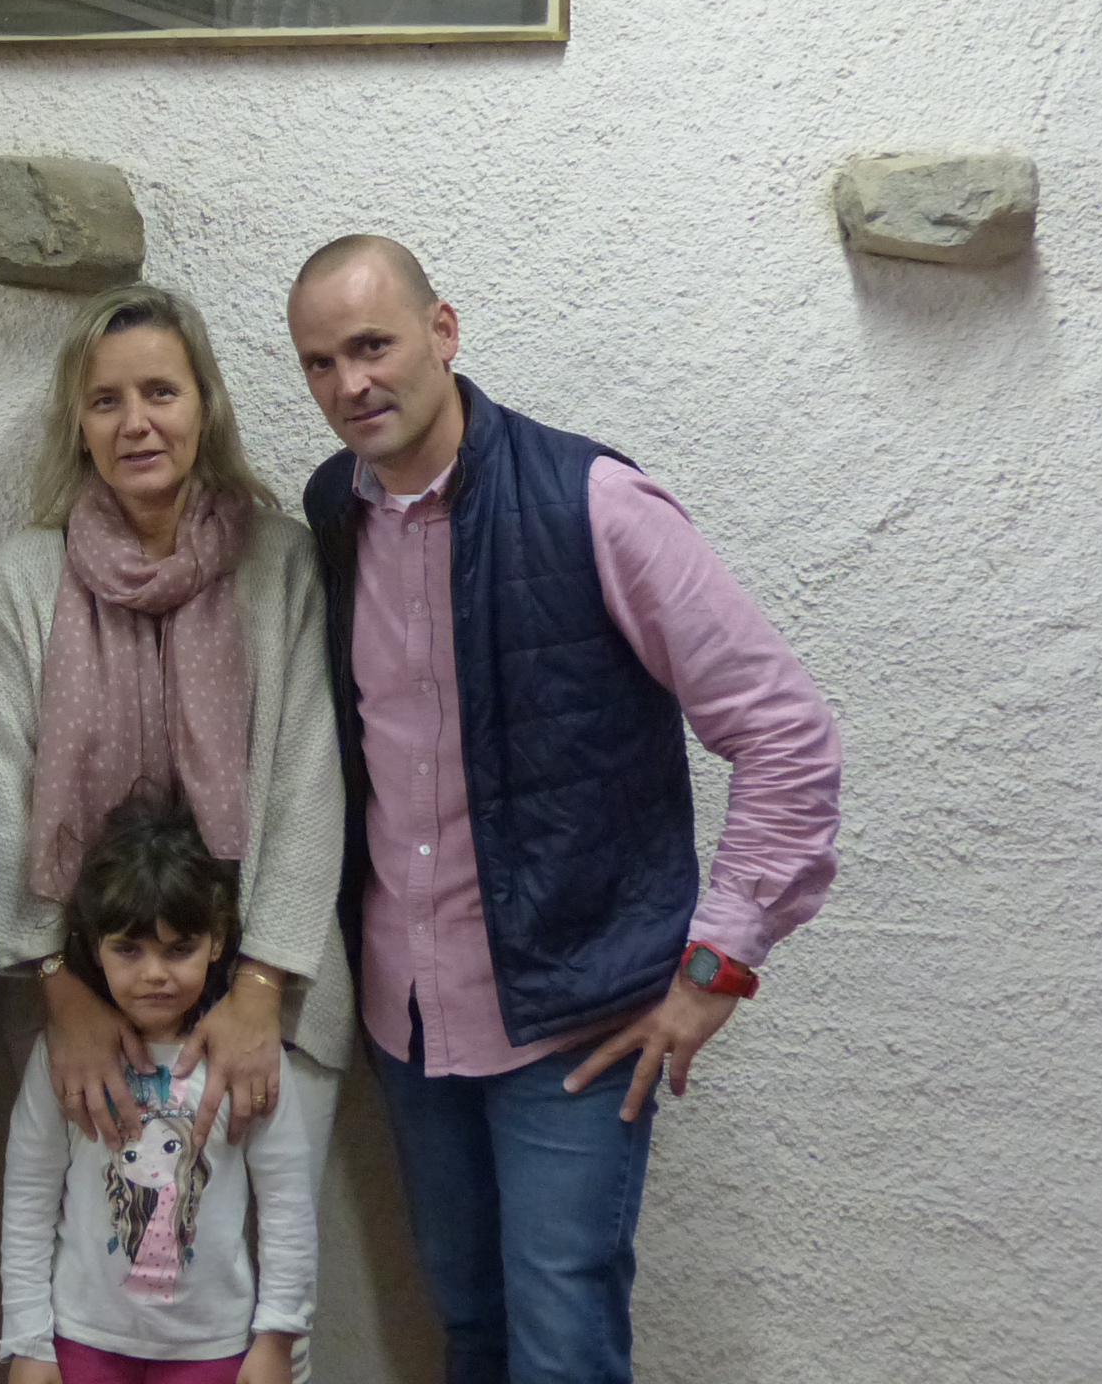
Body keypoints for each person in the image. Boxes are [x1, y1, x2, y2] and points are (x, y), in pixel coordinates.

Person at [284, 234, 844, 1384]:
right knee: (471, 1331)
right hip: (406, 1017)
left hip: (573, 1024)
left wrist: (716, 969)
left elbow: (785, 732)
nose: (351, 384)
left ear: (443, 330)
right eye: (320, 362)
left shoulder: (594, 503)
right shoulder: (332, 507)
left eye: (374, 345)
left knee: (559, 1349)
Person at [0, 283, 353, 1177]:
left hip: (267, 984)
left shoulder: (279, 560)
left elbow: (308, 782)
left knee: (263, 1250)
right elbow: (2, 784)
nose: (135, 423)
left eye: (160, 393)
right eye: (105, 400)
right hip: (86, 995)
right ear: (79, 425)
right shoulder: (29, 574)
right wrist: (61, 992)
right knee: (106, 1247)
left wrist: (258, 987)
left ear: (204, 407)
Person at [0, 792, 319, 1384]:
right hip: (83, 1340)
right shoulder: (62, 1056)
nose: (154, 973)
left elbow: (287, 1204)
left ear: (217, 940)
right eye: (128, 949)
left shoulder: (249, 1060)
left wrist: (278, 1335)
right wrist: (28, 1341)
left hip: (213, 1347)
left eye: (180, 950)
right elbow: (27, 1198)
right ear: (93, 943)